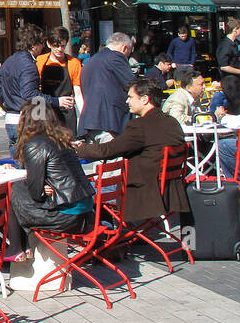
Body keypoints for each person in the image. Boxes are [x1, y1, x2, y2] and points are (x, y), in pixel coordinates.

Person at [75, 78, 188, 224]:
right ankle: (116, 234)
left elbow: (107, 150)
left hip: (142, 192)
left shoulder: (140, 126)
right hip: (171, 191)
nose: (127, 101)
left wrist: (78, 149)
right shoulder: (172, 122)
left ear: (145, 99)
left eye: (130, 97)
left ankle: (103, 234)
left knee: (80, 187)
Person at [4, 104, 95, 262]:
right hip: (85, 212)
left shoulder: (35, 144)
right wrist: (41, 187)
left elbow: (36, 194)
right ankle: (21, 247)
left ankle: (16, 247)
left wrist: (38, 188)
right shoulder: (62, 139)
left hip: (66, 217)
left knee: (14, 189)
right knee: (20, 188)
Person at [0, 24, 72, 144]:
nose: (42, 47)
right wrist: (57, 101)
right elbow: (29, 94)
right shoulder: (29, 65)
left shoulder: (11, 60)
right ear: (34, 45)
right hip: (25, 120)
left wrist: (8, 97)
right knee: (29, 159)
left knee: (17, 157)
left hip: (11, 118)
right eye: (41, 43)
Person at [77, 32, 136, 139]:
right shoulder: (116, 57)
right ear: (124, 48)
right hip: (110, 120)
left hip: (89, 120)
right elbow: (132, 84)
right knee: (111, 154)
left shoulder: (91, 60)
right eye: (129, 52)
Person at [37, 26, 83, 134]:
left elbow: (78, 93)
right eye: (56, 46)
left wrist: (82, 116)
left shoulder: (74, 63)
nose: (60, 49)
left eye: (63, 46)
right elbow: (34, 90)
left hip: (66, 112)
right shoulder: (40, 61)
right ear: (49, 44)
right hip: (44, 109)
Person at [215, 17, 240, 92]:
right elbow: (224, 67)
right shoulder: (225, 45)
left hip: (236, 81)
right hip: (230, 82)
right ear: (235, 30)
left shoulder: (234, 43)